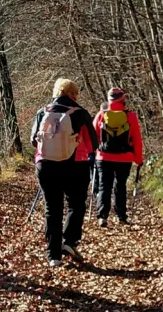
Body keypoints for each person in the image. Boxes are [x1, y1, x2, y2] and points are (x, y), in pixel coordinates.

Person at [30, 78, 97, 268]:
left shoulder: (42, 112)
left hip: (46, 166)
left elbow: (33, 141)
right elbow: (93, 144)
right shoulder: (81, 114)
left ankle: (53, 256)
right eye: (75, 93)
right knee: (75, 205)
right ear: (69, 94)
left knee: (52, 208)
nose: (76, 96)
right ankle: (69, 242)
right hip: (75, 165)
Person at [93, 86, 144, 226]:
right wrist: (138, 159)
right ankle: (121, 216)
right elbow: (137, 140)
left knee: (104, 186)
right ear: (123, 99)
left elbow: (93, 136)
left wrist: (93, 153)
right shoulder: (130, 116)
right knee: (120, 186)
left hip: (104, 157)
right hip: (124, 157)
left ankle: (102, 216)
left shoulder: (101, 115)